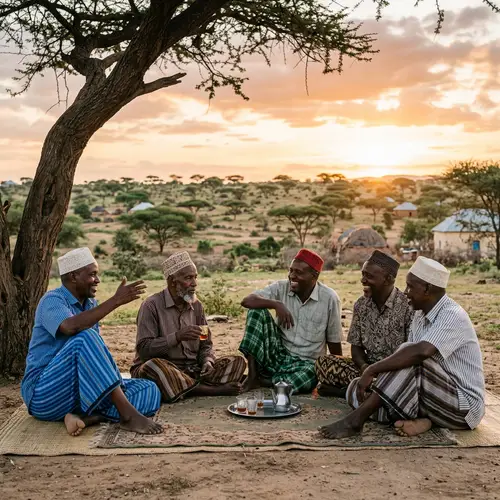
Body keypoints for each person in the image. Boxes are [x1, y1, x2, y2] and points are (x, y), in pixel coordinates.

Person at [320, 256, 485, 439]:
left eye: (410, 287)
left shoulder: (453, 315)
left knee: (411, 357)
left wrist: (372, 369)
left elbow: (420, 353)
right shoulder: (419, 315)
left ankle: (355, 421)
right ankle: (426, 420)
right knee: (354, 389)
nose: (405, 292)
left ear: (427, 289)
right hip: (428, 398)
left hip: (463, 407)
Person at [21, 248, 163, 437]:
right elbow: (70, 327)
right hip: (44, 393)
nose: (98, 280)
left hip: (78, 395)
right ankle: (127, 416)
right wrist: (116, 300)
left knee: (149, 389)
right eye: (93, 274)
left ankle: (85, 418)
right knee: (85, 337)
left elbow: (96, 356)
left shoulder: (90, 305)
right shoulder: (52, 300)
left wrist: (115, 382)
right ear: (73, 276)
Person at [131, 251, 246, 402]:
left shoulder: (197, 306)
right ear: (173, 281)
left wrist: (207, 361)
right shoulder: (151, 305)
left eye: (195, 277)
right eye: (188, 278)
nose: (194, 283)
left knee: (237, 362)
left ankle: (187, 387)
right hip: (165, 369)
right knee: (154, 367)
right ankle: (209, 390)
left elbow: (206, 343)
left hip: (192, 370)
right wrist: (177, 337)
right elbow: (144, 350)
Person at [239, 248, 342, 393]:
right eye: (291, 270)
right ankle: (253, 376)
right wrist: (276, 304)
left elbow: (334, 341)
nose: (292, 276)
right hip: (278, 355)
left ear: (315, 276)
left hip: (306, 364)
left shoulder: (330, 298)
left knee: (308, 376)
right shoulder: (281, 287)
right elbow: (247, 301)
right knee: (256, 310)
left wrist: (337, 373)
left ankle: (269, 380)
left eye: (299, 272)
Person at [315, 250, 413, 400]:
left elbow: (410, 354)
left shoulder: (407, 306)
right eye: (363, 274)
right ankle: (368, 391)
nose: (363, 280)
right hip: (366, 370)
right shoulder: (361, 305)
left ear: (388, 280)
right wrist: (364, 367)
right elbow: (356, 347)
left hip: (396, 371)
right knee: (324, 362)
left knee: (406, 381)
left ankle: (347, 392)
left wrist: (377, 371)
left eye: (369, 276)